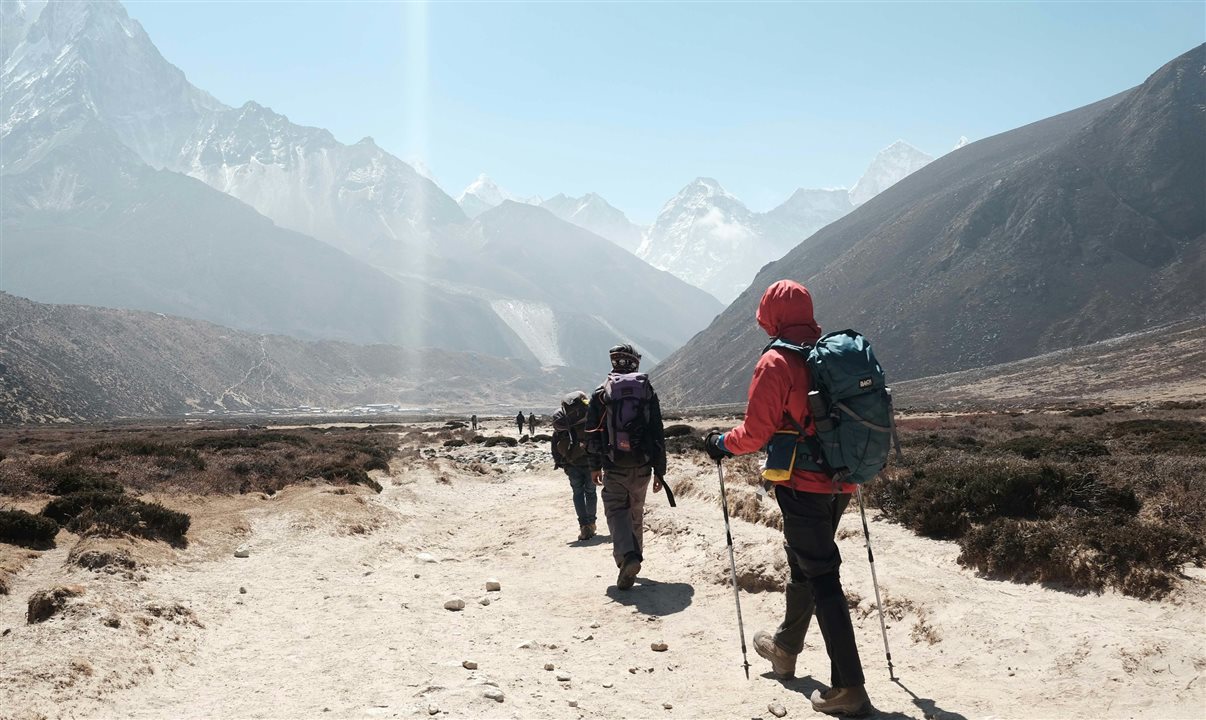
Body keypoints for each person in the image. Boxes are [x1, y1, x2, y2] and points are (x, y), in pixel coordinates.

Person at [703, 280, 870, 717]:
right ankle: (785, 648)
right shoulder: (831, 356)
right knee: (806, 564)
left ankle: (849, 687)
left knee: (822, 576)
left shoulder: (777, 361)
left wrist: (720, 443)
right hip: (842, 481)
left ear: (771, 315)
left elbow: (755, 433)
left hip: (801, 484)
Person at [585, 343, 666, 590]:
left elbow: (592, 432)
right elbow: (657, 431)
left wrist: (595, 465)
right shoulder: (646, 391)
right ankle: (636, 557)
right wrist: (659, 470)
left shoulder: (602, 393)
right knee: (635, 512)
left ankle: (628, 558)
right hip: (642, 465)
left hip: (614, 464)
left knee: (616, 511)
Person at [551, 391, 597, 541]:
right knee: (590, 492)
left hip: (571, 463)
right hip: (590, 462)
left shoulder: (564, 422)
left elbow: (555, 444)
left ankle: (584, 526)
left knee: (577, 493)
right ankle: (592, 523)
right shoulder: (589, 419)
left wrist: (560, 462)